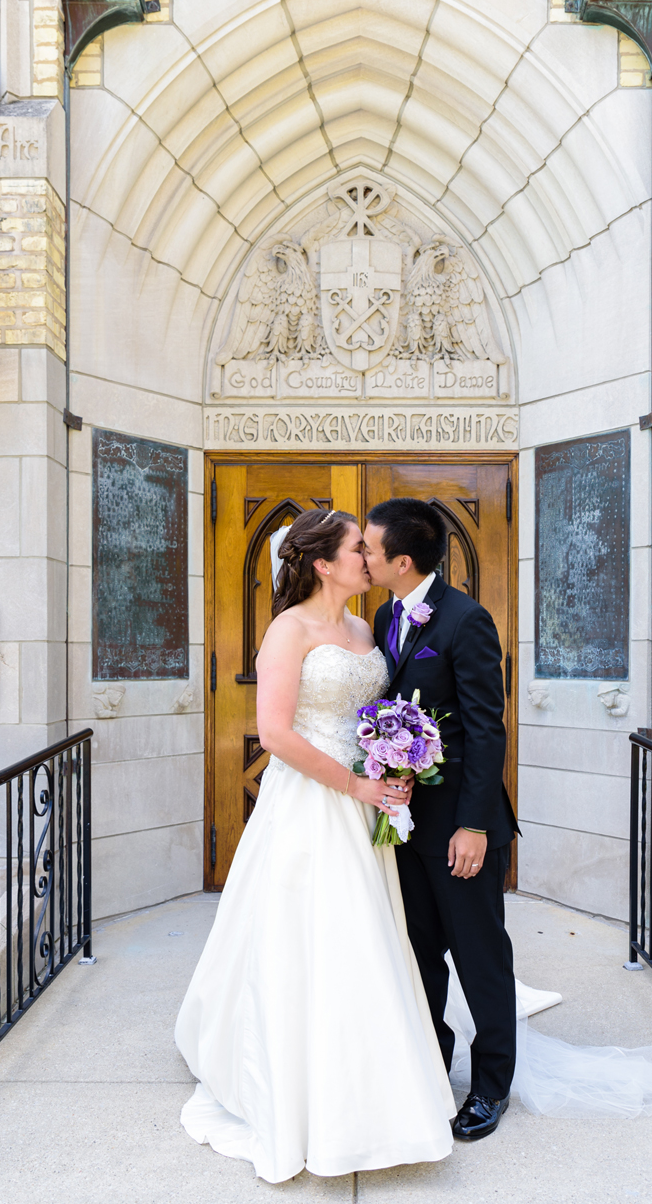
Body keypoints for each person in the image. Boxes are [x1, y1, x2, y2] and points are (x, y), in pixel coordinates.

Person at [174, 509, 456, 1181]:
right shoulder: (287, 630)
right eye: (359, 547)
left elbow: (373, 711)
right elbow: (274, 734)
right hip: (311, 801)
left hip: (366, 802)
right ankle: (305, 1090)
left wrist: (395, 757)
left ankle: (374, 1080)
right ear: (324, 563)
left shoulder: (366, 627)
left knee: (367, 938)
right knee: (314, 937)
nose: (371, 556)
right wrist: (354, 786)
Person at [362, 498, 519, 1142]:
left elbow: (486, 730)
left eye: (369, 549)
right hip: (404, 823)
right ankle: (431, 1066)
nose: (362, 557)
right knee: (420, 953)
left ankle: (490, 1087)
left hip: (460, 827)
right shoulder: (383, 615)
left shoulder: (466, 620)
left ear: (402, 560)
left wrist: (475, 825)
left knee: (480, 957)